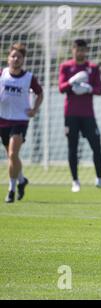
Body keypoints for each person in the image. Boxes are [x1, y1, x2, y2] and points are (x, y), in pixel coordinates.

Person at [58, 39, 101, 193]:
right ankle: (75, 181)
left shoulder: (93, 68)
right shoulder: (66, 66)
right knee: (73, 148)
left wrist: (89, 88)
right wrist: (71, 83)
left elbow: (99, 90)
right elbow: (61, 88)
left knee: (96, 145)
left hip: (88, 115)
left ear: (86, 51)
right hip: (71, 114)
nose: (80, 52)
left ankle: (99, 179)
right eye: (77, 49)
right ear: (73, 50)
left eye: (83, 50)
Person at [0, 43, 43, 203]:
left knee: (12, 154)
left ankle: (11, 190)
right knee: (11, 157)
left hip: (20, 120)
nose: (15, 59)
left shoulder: (29, 78)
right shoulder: (2, 74)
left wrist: (34, 109)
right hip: (3, 119)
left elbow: (40, 94)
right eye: (13, 56)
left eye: (19, 57)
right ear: (8, 58)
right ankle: (22, 180)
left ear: (23, 60)